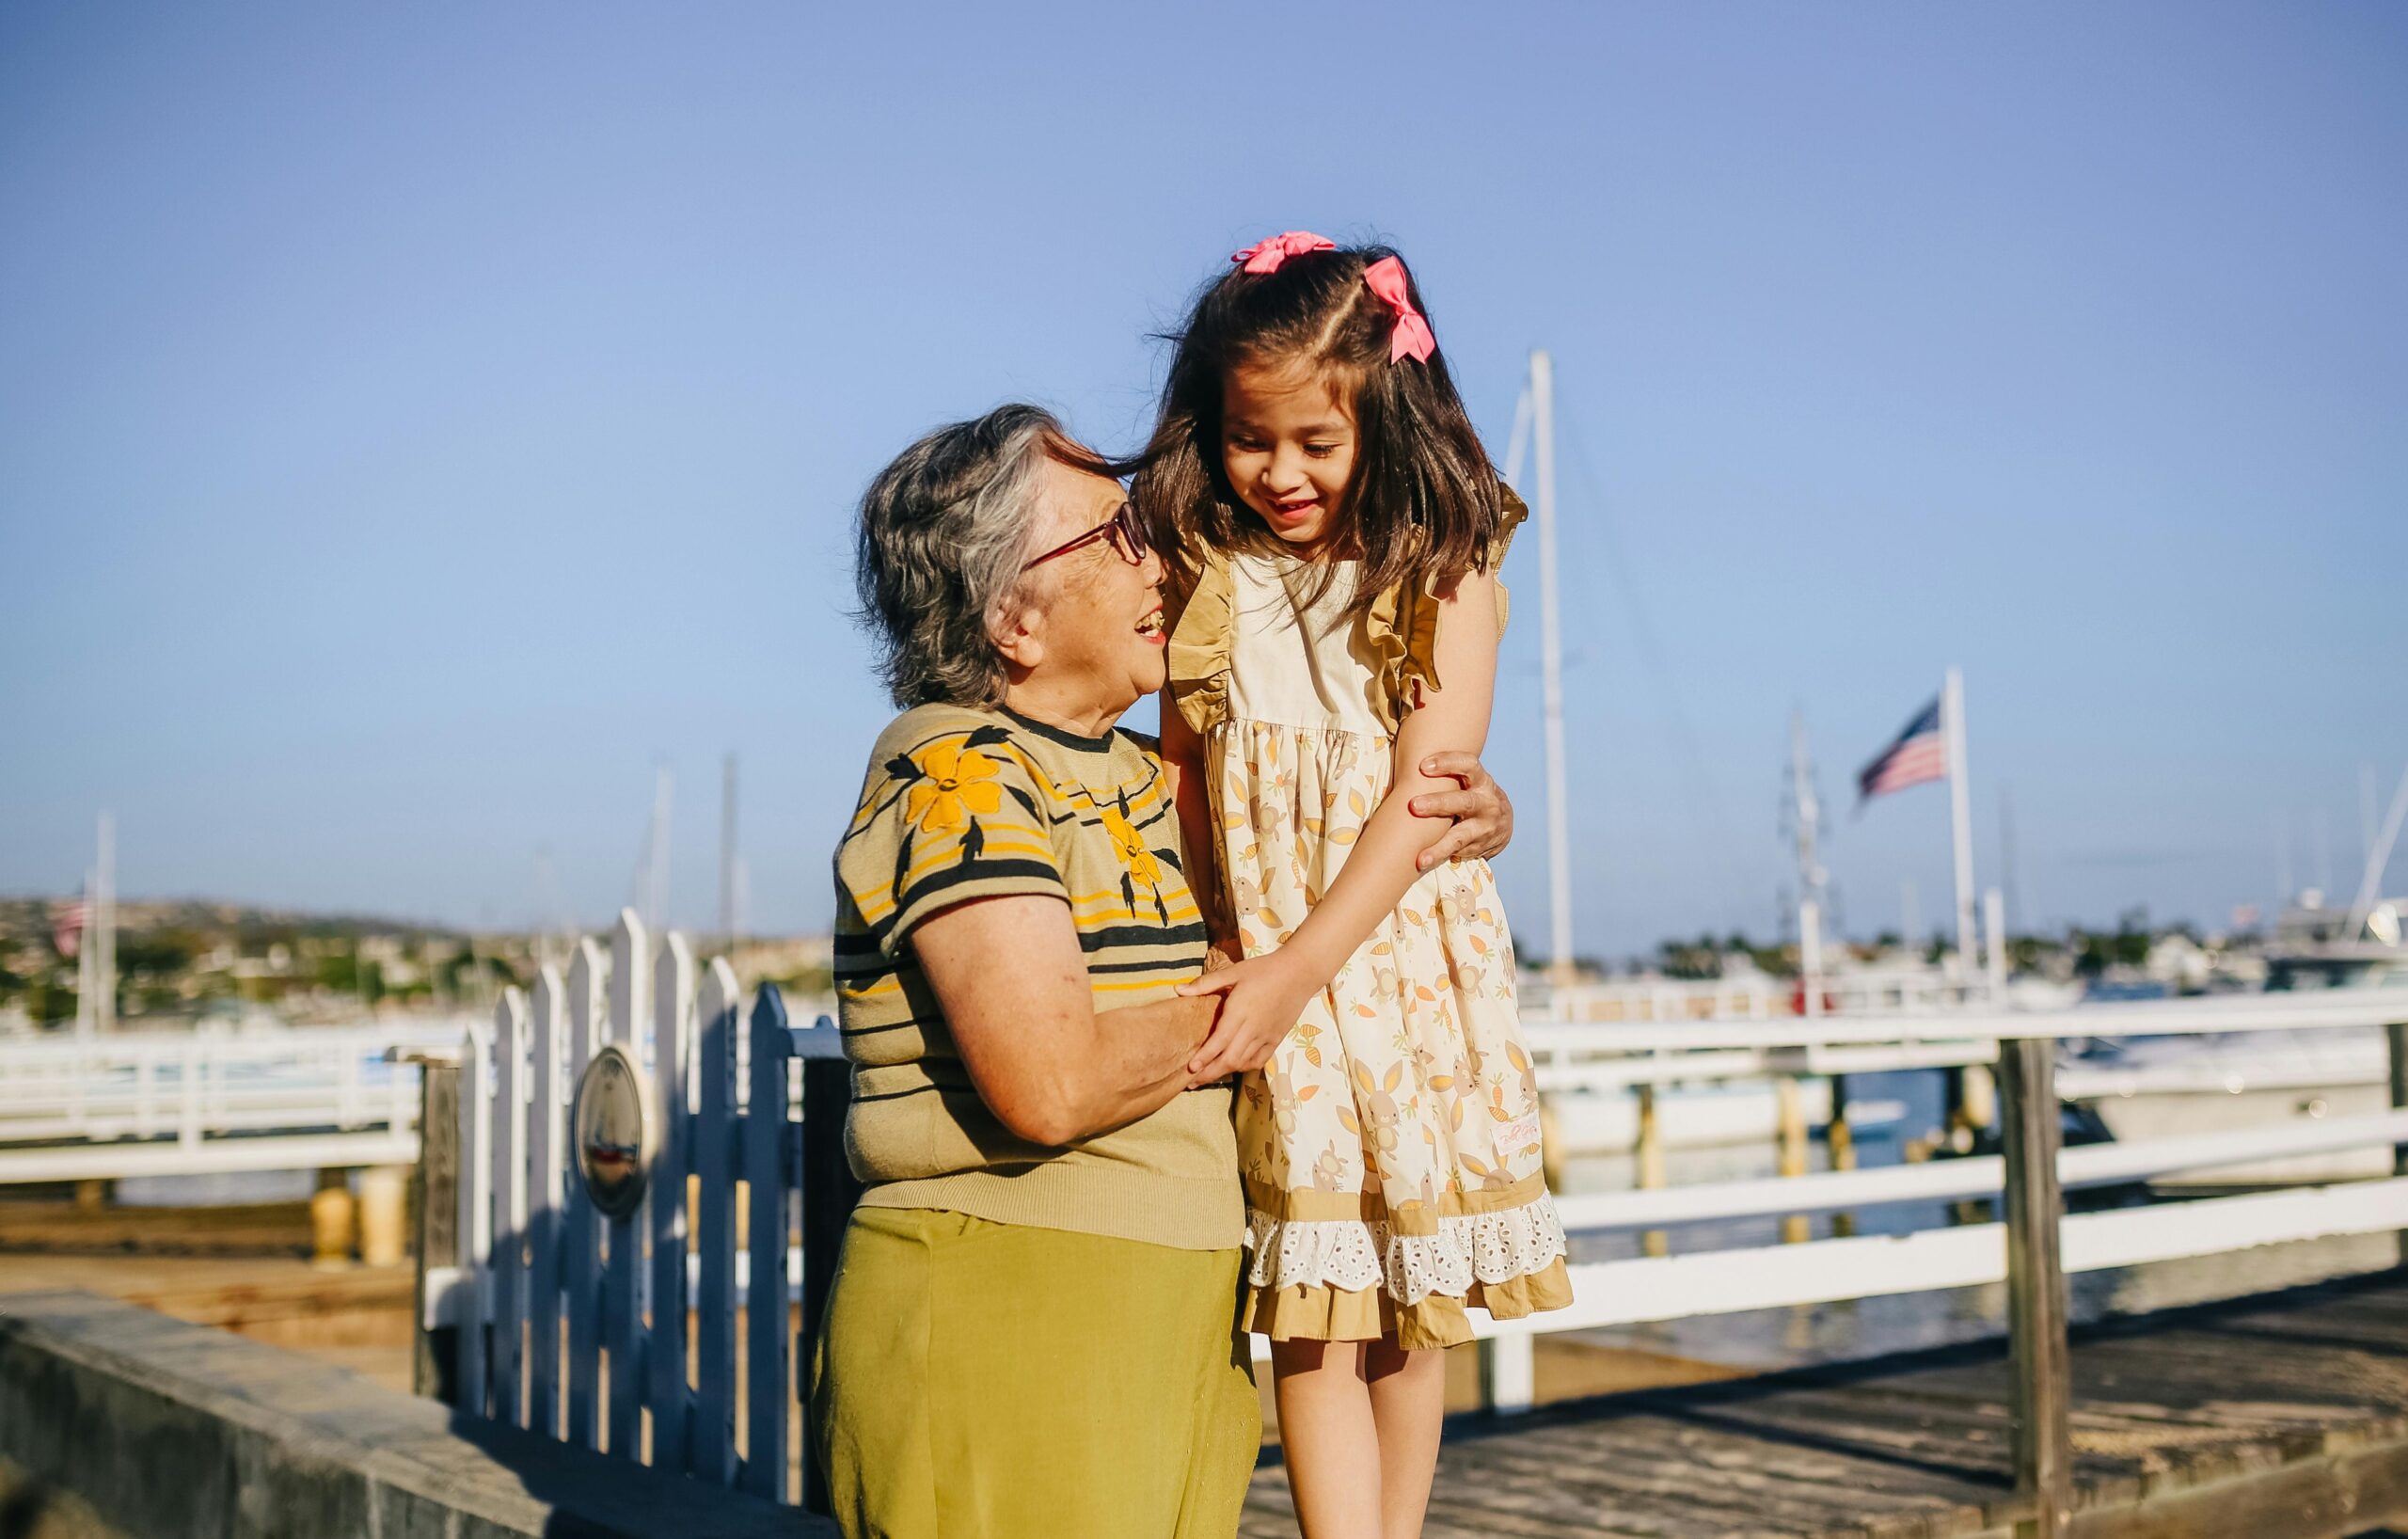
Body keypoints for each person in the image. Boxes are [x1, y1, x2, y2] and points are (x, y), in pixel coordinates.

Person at [816, 403, 1518, 1539]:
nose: (1164, 551)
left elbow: (1322, 840)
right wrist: (1261, 989)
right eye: (1118, 532)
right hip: (1020, 1315)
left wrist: (1465, 818)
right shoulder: (959, 770)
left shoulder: (1142, 779)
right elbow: (1051, 1080)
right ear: (1013, 617)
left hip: (1163, 1324)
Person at [1135, 232, 1572, 1539]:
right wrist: (1211, 940)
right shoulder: (1208, 569)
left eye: (1315, 445)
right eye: (1248, 439)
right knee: (1310, 1304)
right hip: (1259, 960)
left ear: (1386, 412)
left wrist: (1297, 969)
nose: (1278, 474)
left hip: (1386, 962)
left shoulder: (1447, 568)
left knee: (1406, 1299)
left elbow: (1426, 795)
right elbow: (1178, 776)